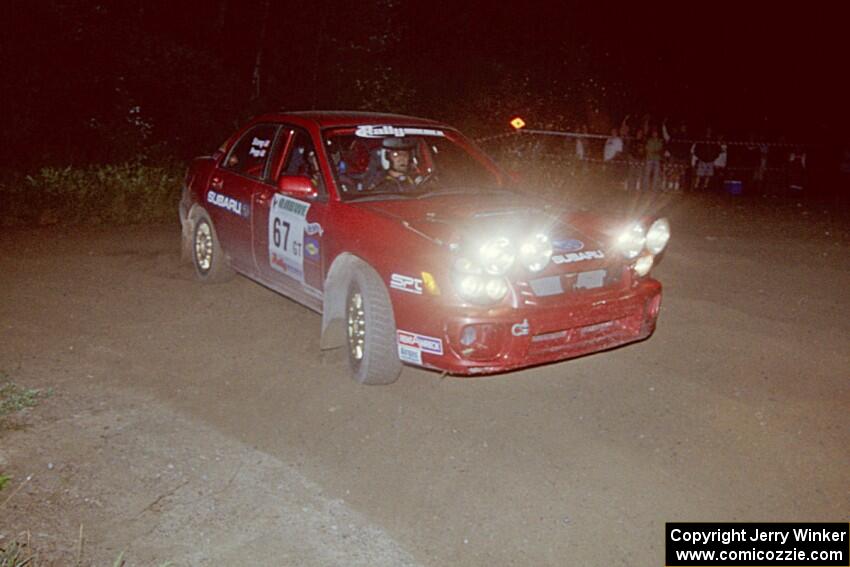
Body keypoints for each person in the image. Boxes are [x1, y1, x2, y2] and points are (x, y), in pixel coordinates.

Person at [642, 126, 664, 191]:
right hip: (649, 159)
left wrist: (654, 151)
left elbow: (660, 150)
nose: (655, 134)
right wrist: (655, 151)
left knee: (656, 175)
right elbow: (648, 149)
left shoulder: (660, 141)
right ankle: (645, 188)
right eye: (654, 133)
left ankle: (654, 189)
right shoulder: (649, 141)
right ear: (652, 134)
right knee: (647, 174)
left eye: (656, 133)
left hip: (657, 159)